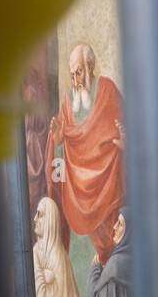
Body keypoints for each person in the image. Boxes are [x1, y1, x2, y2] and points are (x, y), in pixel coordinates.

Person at [45, 43, 125, 265]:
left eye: (78, 72)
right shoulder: (67, 102)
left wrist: (126, 143)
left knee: (113, 261)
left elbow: (130, 130)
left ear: (90, 67)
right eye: (71, 74)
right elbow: (59, 153)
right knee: (86, 269)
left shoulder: (107, 90)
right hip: (77, 200)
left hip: (109, 192)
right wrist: (59, 141)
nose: (75, 80)